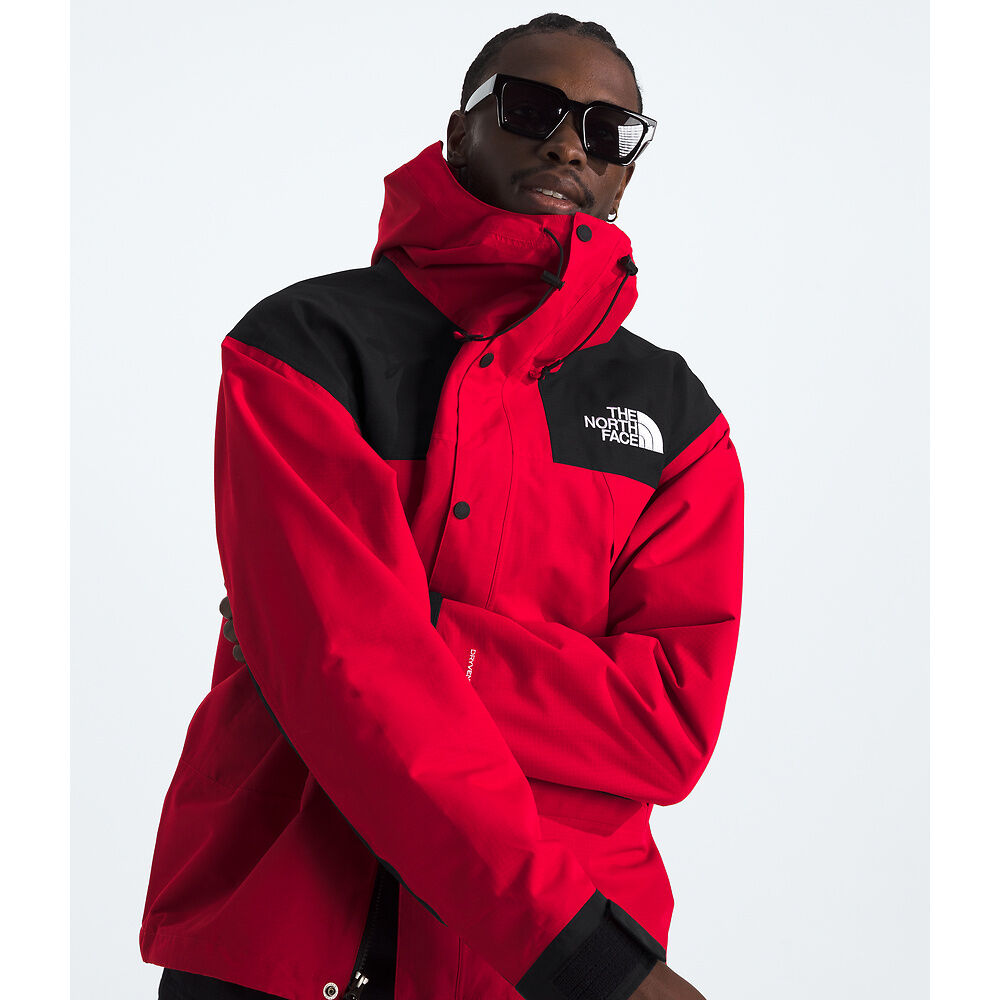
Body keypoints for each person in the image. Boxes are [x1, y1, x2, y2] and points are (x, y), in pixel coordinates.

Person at [139, 13, 744, 1000]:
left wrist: (420, 643)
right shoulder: (303, 348)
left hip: (532, 968)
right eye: (532, 108)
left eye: (607, 131)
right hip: (293, 941)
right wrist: (592, 961)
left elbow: (666, 729)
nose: (568, 145)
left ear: (626, 175)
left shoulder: (677, 420)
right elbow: (344, 676)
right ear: (460, 129)